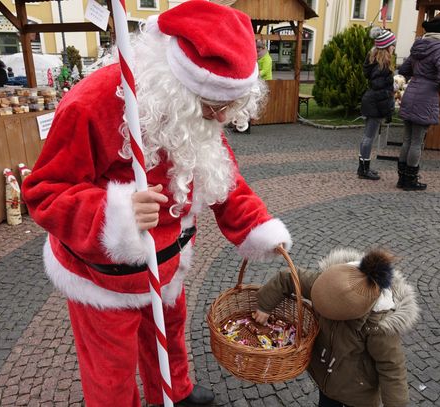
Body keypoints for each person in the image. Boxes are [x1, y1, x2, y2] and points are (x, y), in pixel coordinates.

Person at [21, 1, 292, 406]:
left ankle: (173, 392)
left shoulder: (202, 114)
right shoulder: (92, 101)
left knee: (168, 339)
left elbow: (223, 180)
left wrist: (257, 227)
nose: (219, 117)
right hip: (104, 278)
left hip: (168, 264)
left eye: (228, 106)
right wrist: (114, 213)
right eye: (211, 104)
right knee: (110, 373)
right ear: (175, 79)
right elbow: (44, 190)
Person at [254, 248, 419, 407]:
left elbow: (392, 368)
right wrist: (264, 306)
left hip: (357, 391)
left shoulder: (378, 328)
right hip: (326, 379)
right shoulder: (328, 283)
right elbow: (288, 277)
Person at [397, 17, 440, 191]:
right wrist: (438, 83)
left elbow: (404, 70)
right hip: (426, 96)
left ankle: (402, 179)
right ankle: (410, 180)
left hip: (411, 94)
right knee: (417, 141)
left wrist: (418, 76)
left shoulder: (418, 46)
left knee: (407, 140)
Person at [357, 27, 397, 181]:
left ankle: (363, 167)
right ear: (386, 46)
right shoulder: (383, 66)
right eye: (392, 44)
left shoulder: (373, 61)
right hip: (375, 103)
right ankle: (363, 169)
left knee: (367, 136)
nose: (394, 47)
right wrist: (388, 111)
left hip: (370, 100)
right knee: (369, 137)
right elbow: (382, 93)